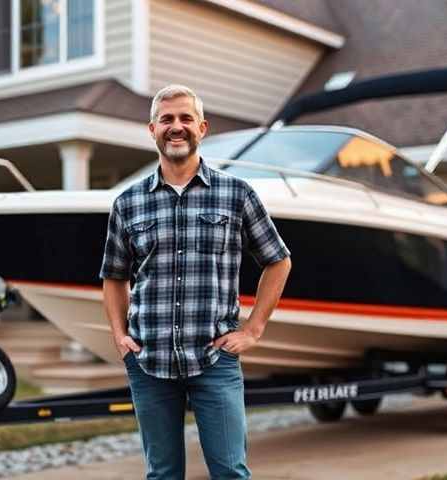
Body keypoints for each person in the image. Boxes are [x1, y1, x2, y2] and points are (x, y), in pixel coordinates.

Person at [99, 84, 292, 479]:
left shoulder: (237, 194)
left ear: (202, 128)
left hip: (215, 360)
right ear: (151, 129)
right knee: (162, 474)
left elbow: (278, 261)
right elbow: (114, 277)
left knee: (230, 472)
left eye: (186, 118)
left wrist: (253, 329)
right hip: (149, 363)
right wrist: (120, 337)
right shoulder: (128, 203)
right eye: (167, 119)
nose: (176, 126)